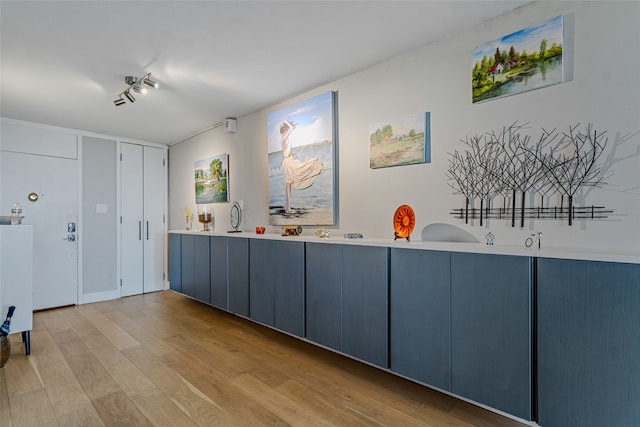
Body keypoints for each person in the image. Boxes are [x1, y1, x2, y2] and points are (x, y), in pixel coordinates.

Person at [280, 120, 323, 213]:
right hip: (288, 162)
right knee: (288, 184)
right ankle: (288, 207)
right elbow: (291, 129)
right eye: (286, 131)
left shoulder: (286, 139)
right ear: (284, 132)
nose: (287, 133)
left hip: (290, 160)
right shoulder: (284, 139)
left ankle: (288, 207)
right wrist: (286, 122)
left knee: (290, 183)